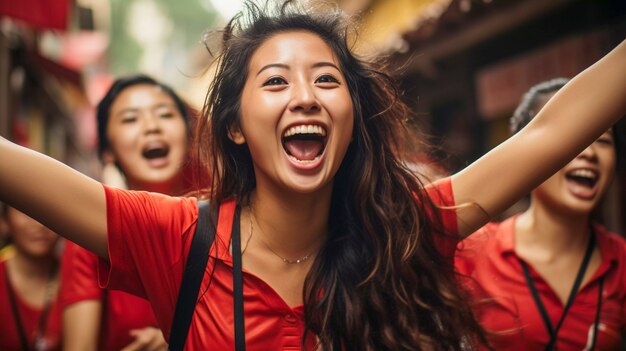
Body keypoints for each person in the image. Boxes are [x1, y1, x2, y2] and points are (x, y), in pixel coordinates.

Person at [0, 1, 625, 350]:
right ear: (236, 125)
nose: (306, 96)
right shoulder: (176, 238)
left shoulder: (403, 231)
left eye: (327, 80)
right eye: (275, 81)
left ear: (352, 117)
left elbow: (547, 132)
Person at [455, 78, 626, 350]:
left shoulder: (621, 262)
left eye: (602, 140)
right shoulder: (472, 252)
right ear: (528, 158)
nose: (589, 153)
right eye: (572, 137)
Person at [60, 74, 193, 351]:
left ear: (188, 134)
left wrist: (184, 337)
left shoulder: (226, 221)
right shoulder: (90, 234)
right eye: (131, 119)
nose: (152, 127)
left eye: (165, 114)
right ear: (108, 150)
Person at [0, 206, 62, 351]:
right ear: (5, 221)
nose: (39, 224)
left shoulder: (80, 277)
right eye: (25, 211)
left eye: (49, 212)